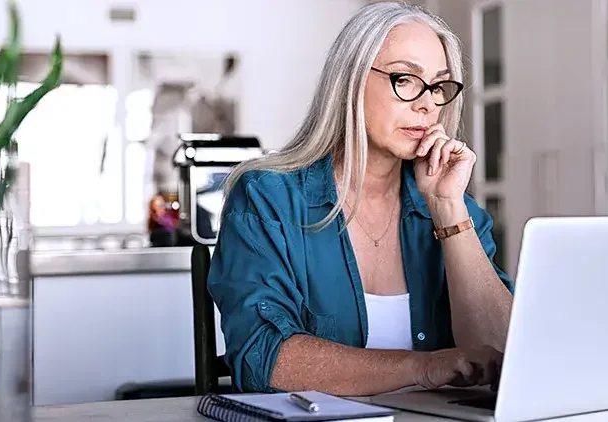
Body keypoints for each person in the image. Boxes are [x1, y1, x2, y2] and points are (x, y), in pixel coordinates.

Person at [207, 2, 514, 396]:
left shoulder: (457, 210)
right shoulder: (268, 199)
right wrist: (423, 367)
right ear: (350, 81)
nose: (427, 104)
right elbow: (262, 359)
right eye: (405, 79)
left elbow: (508, 357)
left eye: (438, 86)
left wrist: (448, 211)